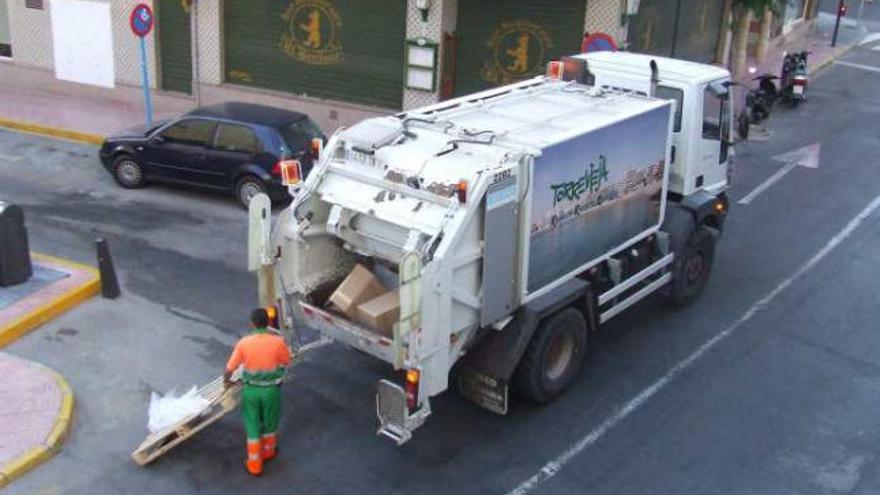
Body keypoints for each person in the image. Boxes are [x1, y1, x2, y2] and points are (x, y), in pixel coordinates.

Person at [225, 308, 292, 476]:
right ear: (269, 323)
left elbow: (229, 369)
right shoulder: (278, 342)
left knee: (253, 424)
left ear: (252, 324)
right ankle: (269, 452)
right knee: (270, 422)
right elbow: (286, 361)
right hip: (271, 391)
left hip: (251, 392)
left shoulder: (243, 343)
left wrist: (227, 382)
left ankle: (255, 465)